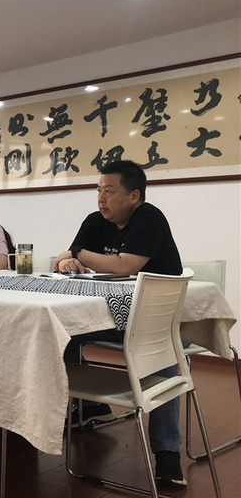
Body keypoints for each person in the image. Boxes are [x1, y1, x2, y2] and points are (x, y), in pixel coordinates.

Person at [54, 160, 186, 488]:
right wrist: (65, 260)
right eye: (99, 190)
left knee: (161, 350)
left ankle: (167, 452)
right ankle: (88, 406)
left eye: (109, 192)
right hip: (111, 315)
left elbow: (126, 265)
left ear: (134, 196)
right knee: (63, 329)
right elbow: (64, 256)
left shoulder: (149, 218)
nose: (101, 198)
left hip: (155, 321)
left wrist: (79, 254)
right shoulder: (94, 221)